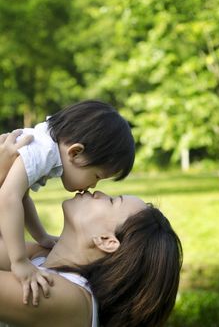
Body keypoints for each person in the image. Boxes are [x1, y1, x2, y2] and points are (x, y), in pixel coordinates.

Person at [0, 134, 182, 327]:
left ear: (106, 240)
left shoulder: (69, 300)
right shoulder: (43, 257)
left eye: (112, 201)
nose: (99, 192)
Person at [0, 100, 135, 305]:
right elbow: (8, 198)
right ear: (75, 152)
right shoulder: (43, 151)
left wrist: (42, 237)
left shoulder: (46, 146)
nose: (93, 186)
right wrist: (19, 261)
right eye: (97, 176)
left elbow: (21, 197)